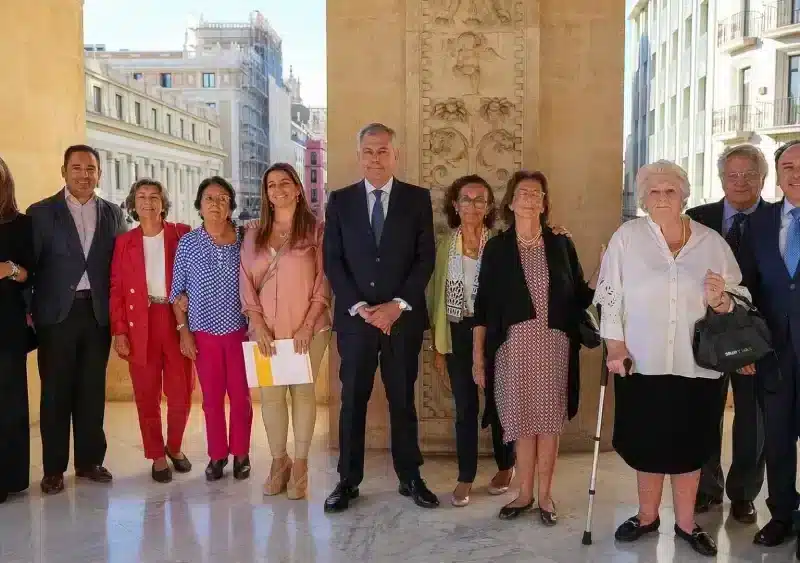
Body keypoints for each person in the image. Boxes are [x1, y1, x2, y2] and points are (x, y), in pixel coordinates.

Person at [594, 160, 750, 557]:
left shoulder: (711, 242)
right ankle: (647, 516)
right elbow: (609, 295)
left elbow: (740, 296)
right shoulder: (627, 238)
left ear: (684, 196)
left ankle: (686, 523)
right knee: (647, 446)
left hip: (696, 365)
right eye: (654, 191)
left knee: (690, 448)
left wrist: (721, 298)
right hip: (641, 362)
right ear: (643, 199)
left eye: (670, 191)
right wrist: (615, 346)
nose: (662, 198)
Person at [472, 171, 599, 524]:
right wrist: (478, 358)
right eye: (523, 193)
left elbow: (580, 297)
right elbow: (482, 307)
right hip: (512, 349)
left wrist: (600, 273)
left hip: (553, 346)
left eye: (537, 194)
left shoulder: (560, 244)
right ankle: (524, 493)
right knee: (521, 421)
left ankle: (545, 497)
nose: (530, 198)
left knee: (548, 422)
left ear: (544, 204)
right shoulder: (497, 248)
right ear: (511, 203)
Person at [322, 123, 438, 512]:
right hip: (356, 322)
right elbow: (333, 260)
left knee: (402, 400)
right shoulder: (340, 201)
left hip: (401, 321)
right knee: (352, 401)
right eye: (369, 151)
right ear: (359, 156)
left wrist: (397, 305)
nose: (375, 158)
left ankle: (410, 476)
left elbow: (425, 259)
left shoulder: (417, 199)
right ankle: (347, 481)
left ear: (395, 155)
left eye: (383, 151)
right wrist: (359, 307)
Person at [27, 145, 127, 495]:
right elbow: (30, 265)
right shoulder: (41, 213)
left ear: (99, 174)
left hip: (97, 314)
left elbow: (122, 267)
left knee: (91, 390)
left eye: (91, 169)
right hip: (56, 315)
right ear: (64, 171)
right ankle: (54, 469)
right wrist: (29, 310)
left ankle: (89, 462)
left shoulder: (113, 213)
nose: (84, 175)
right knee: (55, 393)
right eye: (77, 167)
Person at [685, 144, 767, 522]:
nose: (740, 182)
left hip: (757, 339)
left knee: (752, 422)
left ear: (762, 178)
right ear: (721, 179)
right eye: (732, 175)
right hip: (706, 337)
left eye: (749, 174)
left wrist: (747, 346)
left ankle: (744, 494)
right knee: (703, 414)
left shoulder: (778, 220)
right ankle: (706, 488)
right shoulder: (696, 219)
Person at [240, 163, 331, 500]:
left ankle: (302, 464)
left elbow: (324, 280)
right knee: (271, 397)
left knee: (303, 394)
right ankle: (279, 462)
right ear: (266, 193)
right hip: (265, 332)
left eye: (284, 183)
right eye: (271, 185)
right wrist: (258, 325)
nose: (277, 189)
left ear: (297, 189)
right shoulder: (253, 234)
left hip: (310, 329)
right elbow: (246, 284)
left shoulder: (316, 231)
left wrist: (307, 325)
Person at [429, 174, 515, 507]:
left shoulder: (501, 245)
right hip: (457, 331)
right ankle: (466, 476)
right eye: (466, 199)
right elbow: (436, 297)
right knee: (465, 407)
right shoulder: (444, 246)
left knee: (500, 403)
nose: (473, 205)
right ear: (455, 204)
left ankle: (506, 466)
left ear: (489, 207)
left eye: (481, 200)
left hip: (495, 333)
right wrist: (439, 346)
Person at [737, 140, 800, 553]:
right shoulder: (759, 223)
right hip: (773, 353)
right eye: (788, 166)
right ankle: (782, 515)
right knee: (776, 439)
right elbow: (746, 290)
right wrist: (747, 349)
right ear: (777, 176)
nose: (796, 173)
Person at [110, 179, 194, 483]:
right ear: (134, 203)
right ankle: (157, 454)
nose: (148, 202)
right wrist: (119, 331)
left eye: (154, 196)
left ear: (163, 202)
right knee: (147, 394)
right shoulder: (124, 242)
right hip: (139, 323)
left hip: (176, 320)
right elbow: (117, 288)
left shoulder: (181, 233)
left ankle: (174, 446)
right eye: (141, 197)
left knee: (181, 391)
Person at [170, 176, 252, 482]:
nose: (216, 204)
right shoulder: (188, 243)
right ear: (199, 206)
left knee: (241, 397)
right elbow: (177, 293)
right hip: (203, 334)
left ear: (230, 206)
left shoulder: (245, 239)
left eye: (222, 199)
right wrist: (184, 331)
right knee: (212, 399)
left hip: (240, 333)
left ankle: (241, 453)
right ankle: (217, 455)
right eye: (209, 199)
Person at [0, 156, 35, 504]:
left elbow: (31, 275)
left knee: (8, 402)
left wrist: (8, 269)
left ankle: (7, 477)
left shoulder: (21, 224)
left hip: (7, 323)